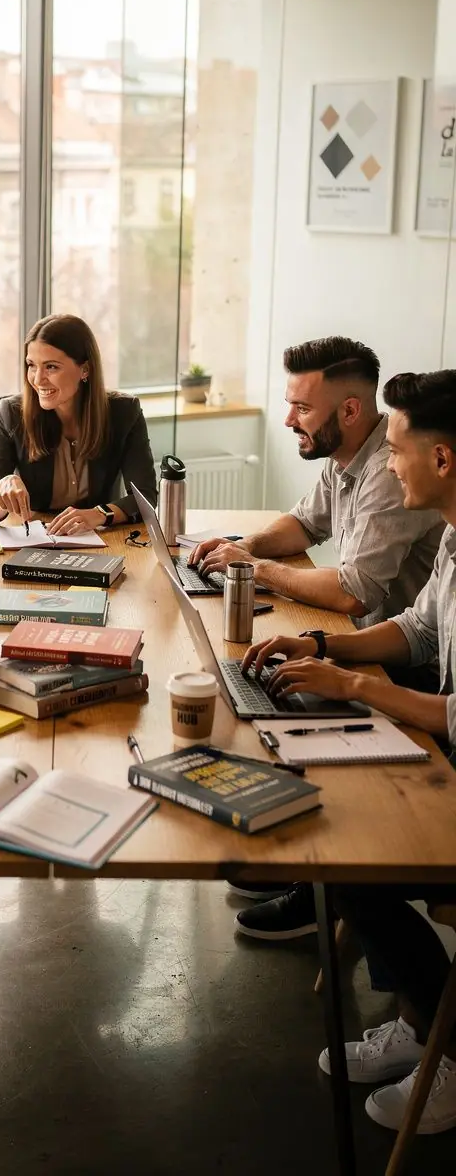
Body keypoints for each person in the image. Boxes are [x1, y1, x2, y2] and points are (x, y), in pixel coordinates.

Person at [243, 369, 456, 1136]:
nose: (387, 465)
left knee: (355, 858)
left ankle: (448, 1044)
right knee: (337, 836)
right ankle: (422, 1022)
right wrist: (322, 645)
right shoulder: (455, 534)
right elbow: (419, 630)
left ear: (442, 459)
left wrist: (357, 687)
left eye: (396, 450)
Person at [189, 337, 442, 941]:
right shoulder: (353, 461)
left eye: (302, 407)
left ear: (349, 411)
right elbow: (307, 525)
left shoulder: (387, 476)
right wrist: (248, 552)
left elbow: (354, 594)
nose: (288, 419)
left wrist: (256, 571)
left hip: (417, 680)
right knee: (277, 689)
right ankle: (306, 868)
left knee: (303, 723)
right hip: (393, 650)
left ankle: (320, 885)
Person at [0, 314, 157, 533]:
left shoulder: (124, 412)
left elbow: (144, 497)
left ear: (85, 369)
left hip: (102, 539)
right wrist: (0, 490)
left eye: (51, 367)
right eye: (32, 365)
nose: (38, 379)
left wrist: (99, 514)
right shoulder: (10, 413)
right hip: (37, 538)